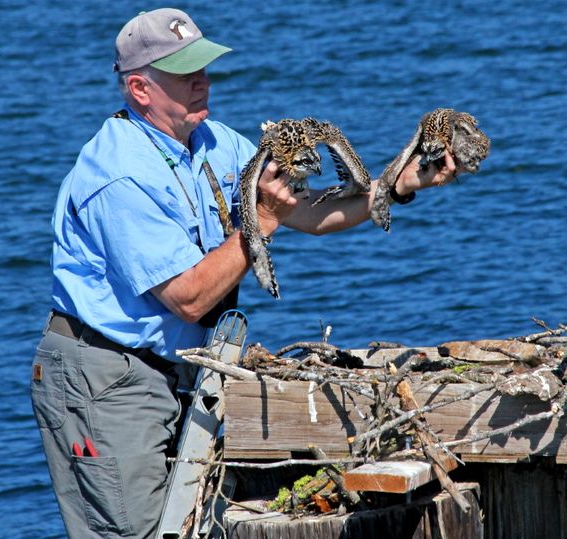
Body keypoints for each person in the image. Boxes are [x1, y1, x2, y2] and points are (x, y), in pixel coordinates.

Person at [30, 7, 458, 539]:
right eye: (185, 74)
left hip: (183, 368)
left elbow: (309, 214)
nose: (202, 83)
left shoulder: (215, 142)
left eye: (204, 69)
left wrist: (401, 182)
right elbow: (188, 299)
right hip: (107, 379)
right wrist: (265, 220)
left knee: (199, 525)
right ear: (140, 89)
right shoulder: (117, 175)